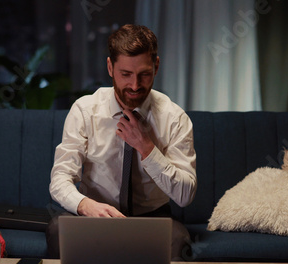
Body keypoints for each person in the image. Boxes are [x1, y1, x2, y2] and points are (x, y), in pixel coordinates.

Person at [46, 24, 197, 260]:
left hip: (152, 218)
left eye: (144, 74)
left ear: (156, 66)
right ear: (110, 67)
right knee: (57, 231)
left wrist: (147, 148)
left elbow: (185, 195)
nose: (135, 86)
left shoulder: (175, 119)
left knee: (179, 242)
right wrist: (85, 205)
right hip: (94, 213)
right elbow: (60, 179)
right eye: (125, 74)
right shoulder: (85, 110)